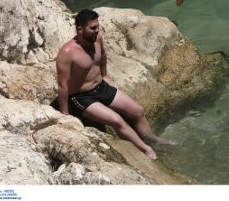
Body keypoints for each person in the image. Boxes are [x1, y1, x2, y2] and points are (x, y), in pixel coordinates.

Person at [55, 9, 175, 160]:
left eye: (97, 26)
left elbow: (102, 55)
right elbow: (62, 85)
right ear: (80, 29)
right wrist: (64, 115)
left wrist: (104, 75)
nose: (97, 30)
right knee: (116, 120)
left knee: (137, 111)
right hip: (82, 97)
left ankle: (153, 139)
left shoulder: (97, 38)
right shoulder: (67, 52)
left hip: (101, 87)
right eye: (92, 28)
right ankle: (145, 149)